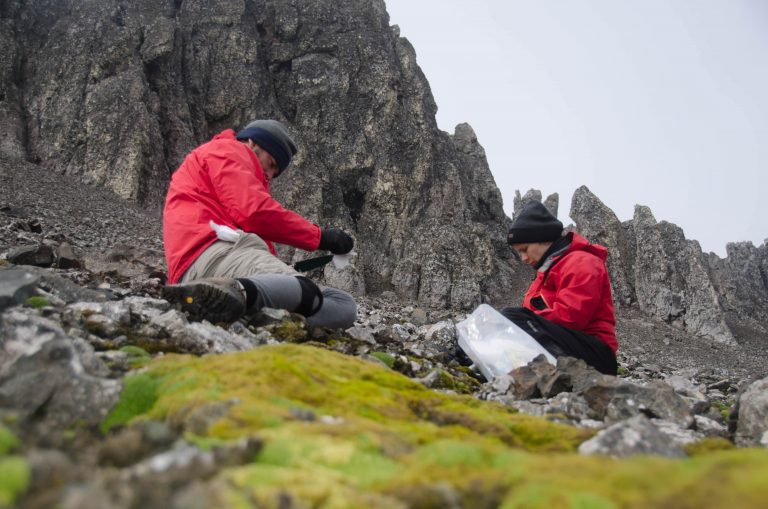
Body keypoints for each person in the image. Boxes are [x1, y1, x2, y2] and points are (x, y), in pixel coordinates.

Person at [161, 119, 357, 329]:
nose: (270, 175)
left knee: (340, 305)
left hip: (205, 263)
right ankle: (233, 292)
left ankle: (244, 308)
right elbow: (254, 212)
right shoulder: (228, 150)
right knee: (316, 295)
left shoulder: (214, 165)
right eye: (271, 164)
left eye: (275, 172)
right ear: (253, 142)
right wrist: (320, 238)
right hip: (216, 256)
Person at [501, 201, 618, 375]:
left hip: (597, 355)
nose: (523, 258)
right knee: (507, 323)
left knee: (513, 318)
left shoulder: (581, 262)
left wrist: (522, 321)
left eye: (525, 249)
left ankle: (550, 372)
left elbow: (571, 318)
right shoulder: (545, 273)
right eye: (519, 252)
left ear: (544, 239)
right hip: (573, 346)